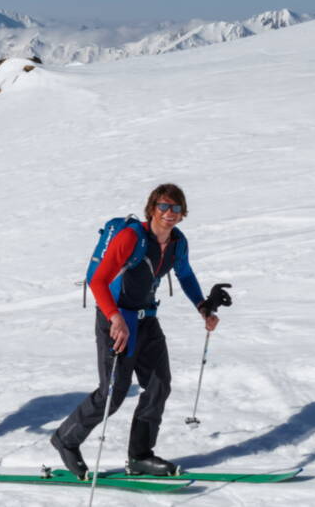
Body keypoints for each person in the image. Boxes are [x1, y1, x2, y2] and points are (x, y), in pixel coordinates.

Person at [51, 183, 221, 478]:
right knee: (113, 394)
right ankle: (66, 440)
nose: (169, 213)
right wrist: (115, 318)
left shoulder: (178, 243)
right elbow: (99, 281)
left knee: (158, 384)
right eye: (163, 207)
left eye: (176, 208)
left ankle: (140, 456)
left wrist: (202, 307)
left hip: (147, 319)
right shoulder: (132, 237)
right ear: (152, 209)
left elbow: (185, 274)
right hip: (116, 319)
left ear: (183, 213)